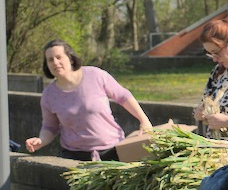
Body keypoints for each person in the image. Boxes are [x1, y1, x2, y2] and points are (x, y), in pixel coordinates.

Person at [25, 39, 153, 161]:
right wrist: (41, 140)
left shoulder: (95, 75)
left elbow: (123, 96)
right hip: (73, 155)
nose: (55, 62)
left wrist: (144, 120)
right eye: (50, 60)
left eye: (59, 57)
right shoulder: (48, 95)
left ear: (70, 58)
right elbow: (50, 127)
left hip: (112, 150)